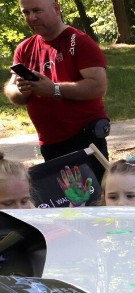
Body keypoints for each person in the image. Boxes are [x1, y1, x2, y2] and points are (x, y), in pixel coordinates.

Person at [3, 0, 110, 178]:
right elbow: (12, 90)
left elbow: (98, 86)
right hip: (50, 144)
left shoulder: (80, 42)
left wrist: (54, 89)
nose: (32, 17)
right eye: (26, 12)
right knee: (65, 202)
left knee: (96, 200)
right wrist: (23, 89)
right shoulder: (24, 48)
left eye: (37, 10)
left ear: (56, 9)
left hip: (85, 140)